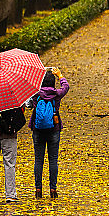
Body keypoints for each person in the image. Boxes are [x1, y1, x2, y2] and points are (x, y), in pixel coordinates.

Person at [28, 67, 70, 198]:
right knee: (53, 160)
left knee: (38, 160)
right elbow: (66, 86)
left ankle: (38, 189)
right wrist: (60, 75)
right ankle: (53, 189)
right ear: (53, 83)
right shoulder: (57, 94)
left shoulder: (35, 94)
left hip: (38, 130)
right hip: (54, 129)